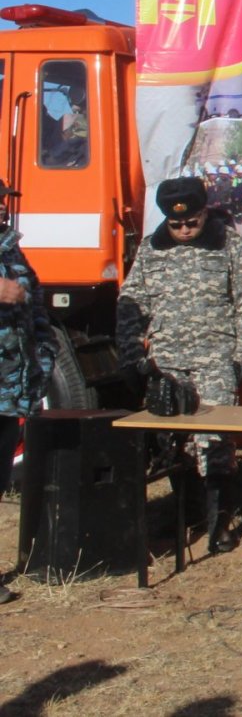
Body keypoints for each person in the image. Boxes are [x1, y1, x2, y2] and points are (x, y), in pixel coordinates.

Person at [116, 176, 242, 555]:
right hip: (167, 361)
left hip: (215, 359)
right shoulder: (152, 249)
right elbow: (132, 301)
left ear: (203, 213)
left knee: (215, 441)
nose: (184, 229)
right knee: (172, 444)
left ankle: (219, 523)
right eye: (176, 224)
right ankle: (187, 514)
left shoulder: (226, 243)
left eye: (191, 222)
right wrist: (133, 354)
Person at [0, 178, 58, 604]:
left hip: (9, 389)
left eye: (3, 201)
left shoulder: (11, 249)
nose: (3, 207)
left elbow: (35, 308)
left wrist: (44, 357)